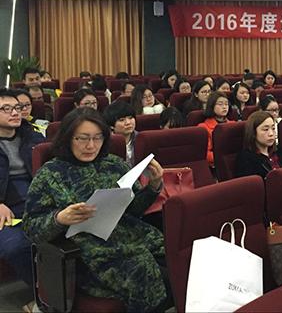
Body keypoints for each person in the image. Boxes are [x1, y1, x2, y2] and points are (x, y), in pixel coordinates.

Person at [23, 108, 171, 312]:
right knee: (146, 273)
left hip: (132, 237)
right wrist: (59, 218)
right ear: (68, 138)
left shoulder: (114, 164)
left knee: (180, 263)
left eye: (97, 138)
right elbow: (30, 227)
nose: (91, 146)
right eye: (82, 139)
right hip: (89, 254)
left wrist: (153, 186)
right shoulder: (50, 174)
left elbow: (134, 209)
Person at [0, 89, 45, 309]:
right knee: (15, 246)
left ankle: (61, 290)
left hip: (37, 195)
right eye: (6, 109)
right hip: (6, 202)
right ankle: (43, 295)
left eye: (17, 107)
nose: (15, 112)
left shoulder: (33, 136)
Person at [234, 111, 282, 179]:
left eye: (273, 128)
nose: (271, 133)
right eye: (266, 129)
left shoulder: (281, 151)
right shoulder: (245, 158)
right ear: (253, 133)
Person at [197, 92, 229, 168]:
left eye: (226, 104)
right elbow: (205, 153)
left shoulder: (233, 124)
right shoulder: (203, 127)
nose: (224, 107)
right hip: (215, 165)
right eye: (220, 104)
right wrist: (224, 158)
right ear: (211, 106)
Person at [103, 101, 137, 165]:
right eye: (122, 120)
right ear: (111, 126)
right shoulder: (106, 142)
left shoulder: (141, 139)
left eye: (130, 118)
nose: (128, 122)